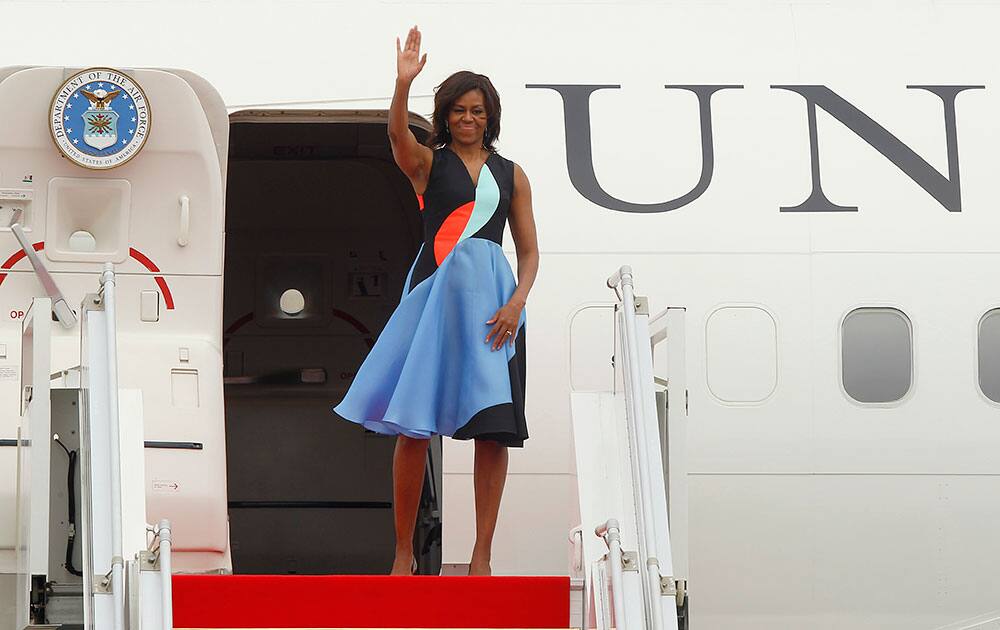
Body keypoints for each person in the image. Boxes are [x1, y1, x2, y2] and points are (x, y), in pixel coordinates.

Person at [332, 25, 540, 577]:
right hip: (435, 295)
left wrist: (517, 302)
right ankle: (403, 553)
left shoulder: (512, 175)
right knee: (414, 429)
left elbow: (529, 253)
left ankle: (481, 555)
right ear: (444, 115)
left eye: (478, 111)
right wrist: (401, 86)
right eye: (458, 111)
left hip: (495, 305)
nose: (469, 120)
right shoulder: (428, 163)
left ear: (491, 116)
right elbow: (398, 137)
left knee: (494, 432)